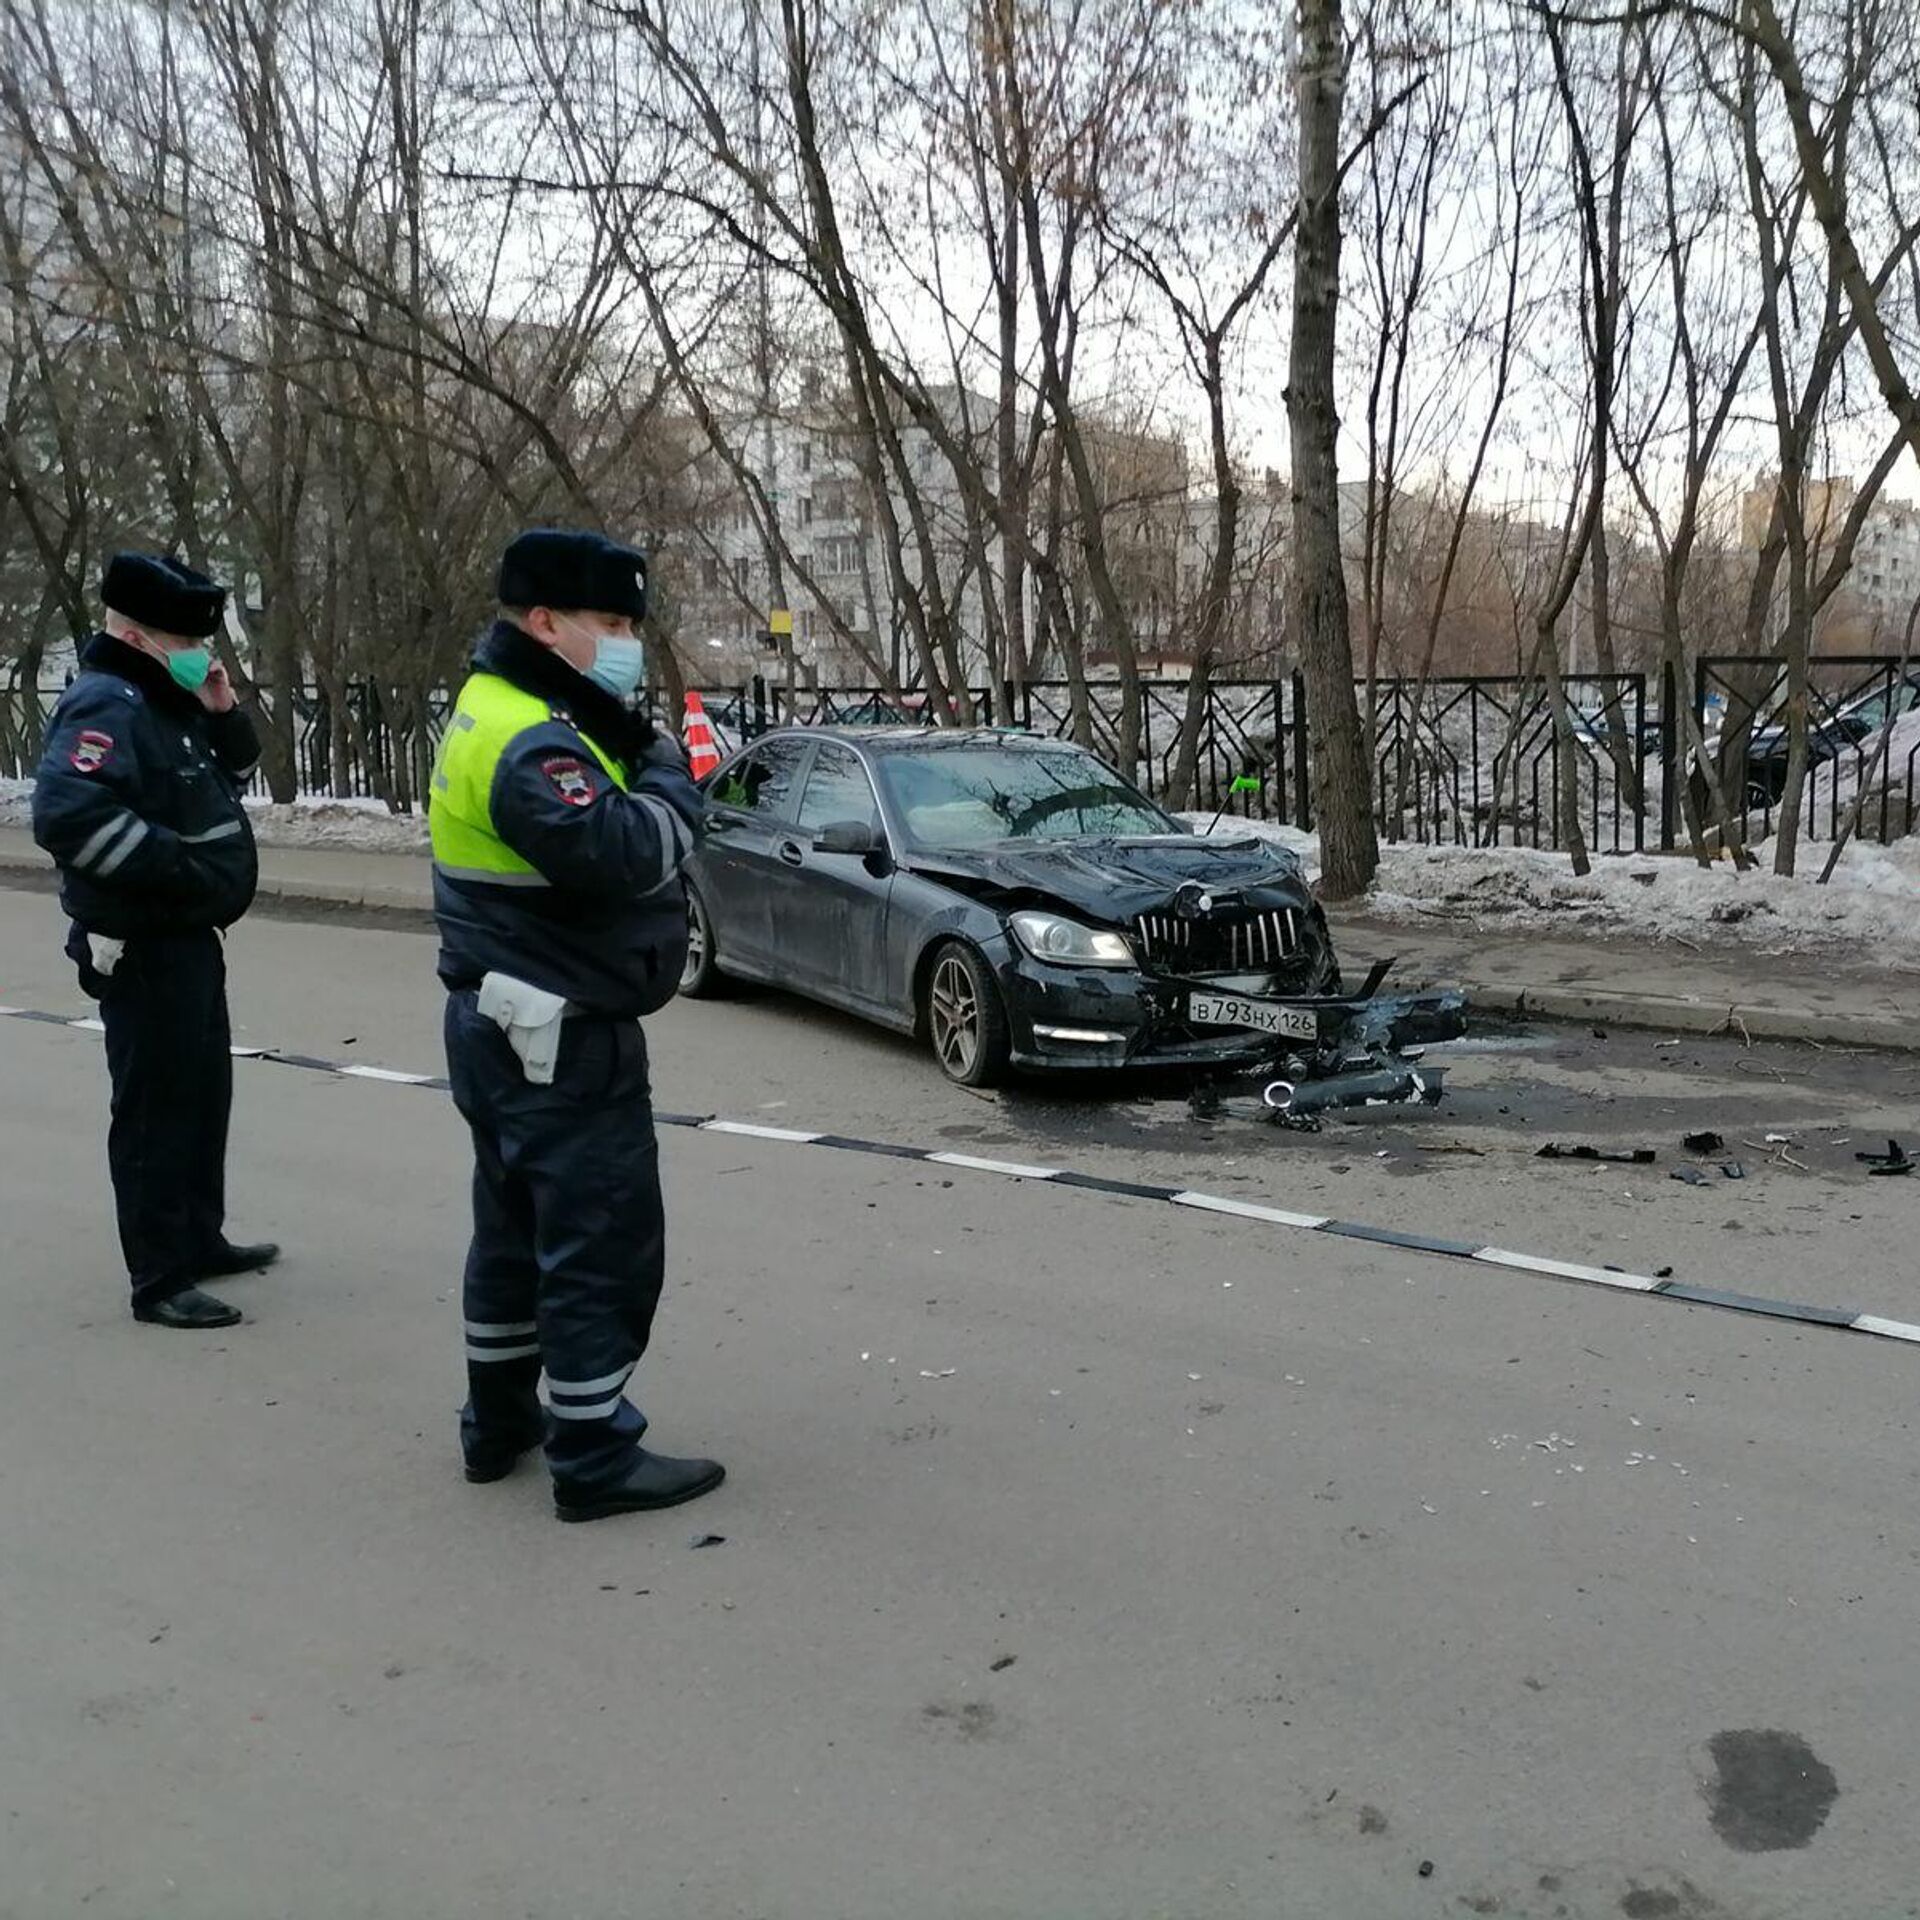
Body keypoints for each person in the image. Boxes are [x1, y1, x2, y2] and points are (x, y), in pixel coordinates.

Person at [431, 528, 720, 1522]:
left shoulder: (501, 707)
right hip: (558, 1037)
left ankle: (498, 1421)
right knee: (599, 1239)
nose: (627, 640)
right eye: (611, 623)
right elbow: (631, 850)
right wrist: (676, 774)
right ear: (545, 622)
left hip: (505, 1021)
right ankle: (594, 1455)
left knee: (511, 1233)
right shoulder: (532, 739)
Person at [31, 553, 277, 1330]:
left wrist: (221, 705)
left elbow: (231, 773)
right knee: (154, 1110)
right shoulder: (107, 704)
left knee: (203, 1098)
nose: (199, 649)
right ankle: (158, 1276)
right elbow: (69, 813)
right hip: (142, 942)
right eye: (183, 637)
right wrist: (179, 872)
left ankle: (199, 1239)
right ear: (136, 634)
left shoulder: (164, 699)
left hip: (188, 937)